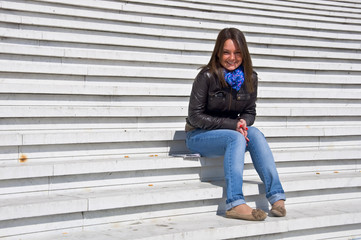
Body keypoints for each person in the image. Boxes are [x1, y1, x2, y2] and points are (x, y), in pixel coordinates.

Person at [185, 28, 286, 221]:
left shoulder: (250, 78)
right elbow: (195, 116)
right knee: (236, 136)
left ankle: (277, 196)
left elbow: (250, 111)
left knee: (254, 133)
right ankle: (235, 203)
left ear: (244, 54)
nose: (232, 58)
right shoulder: (206, 76)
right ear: (218, 53)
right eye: (227, 52)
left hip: (231, 135)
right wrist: (233, 125)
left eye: (237, 53)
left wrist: (243, 121)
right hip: (199, 135)